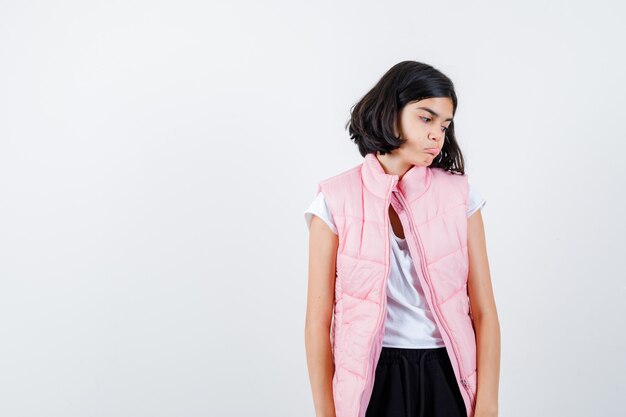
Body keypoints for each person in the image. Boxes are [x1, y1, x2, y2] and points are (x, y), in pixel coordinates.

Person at [303, 61, 500, 417]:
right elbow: (318, 321)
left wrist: (488, 403)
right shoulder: (334, 200)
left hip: (448, 373)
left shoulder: (461, 197)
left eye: (445, 124)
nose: (437, 135)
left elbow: (484, 311)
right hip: (373, 379)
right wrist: (325, 412)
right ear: (389, 112)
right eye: (426, 118)